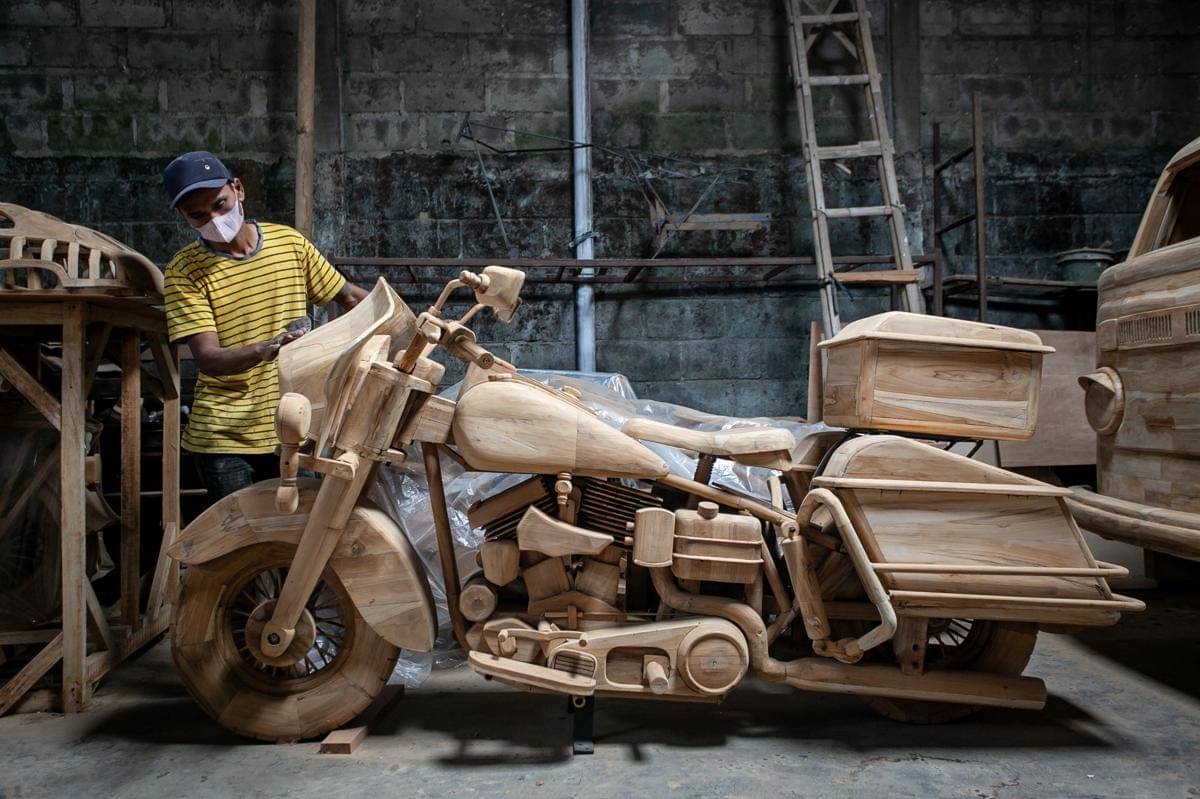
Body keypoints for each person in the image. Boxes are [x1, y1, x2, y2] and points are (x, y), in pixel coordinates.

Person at [161, 151, 368, 502]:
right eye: (198, 215)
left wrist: (406, 320)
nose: (214, 219)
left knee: (300, 545)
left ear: (238, 190)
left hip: (294, 425)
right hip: (226, 438)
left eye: (219, 204)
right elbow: (209, 358)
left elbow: (347, 296)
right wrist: (265, 350)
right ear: (184, 216)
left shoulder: (289, 244)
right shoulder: (184, 272)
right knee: (245, 546)